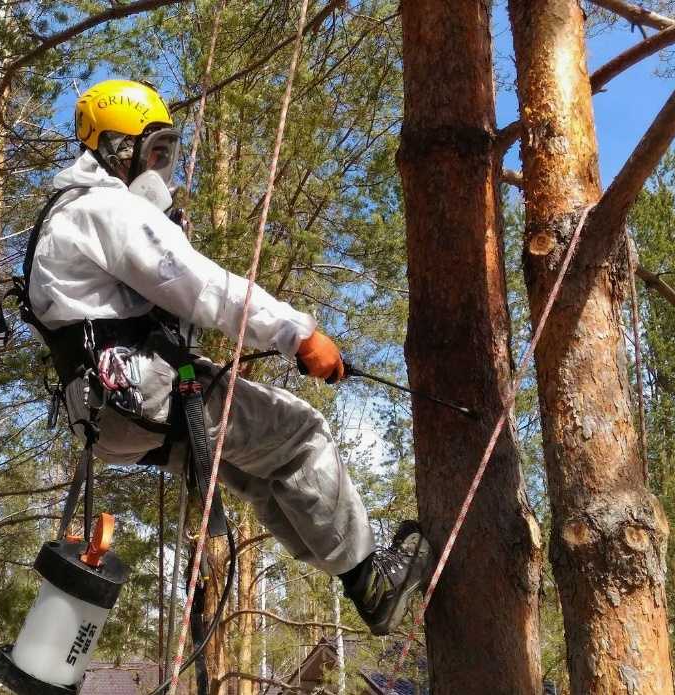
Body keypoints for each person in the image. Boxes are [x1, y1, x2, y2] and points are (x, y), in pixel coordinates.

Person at [27, 78, 432, 635]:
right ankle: (371, 581)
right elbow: (203, 287)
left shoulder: (62, 216)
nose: (160, 169)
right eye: (154, 153)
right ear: (119, 149)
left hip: (104, 416)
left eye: (166, 154)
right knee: (300, 434)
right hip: (140, 390)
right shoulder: (105, 209)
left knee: (260, 473)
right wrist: (298, 333)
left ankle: (358, 574)